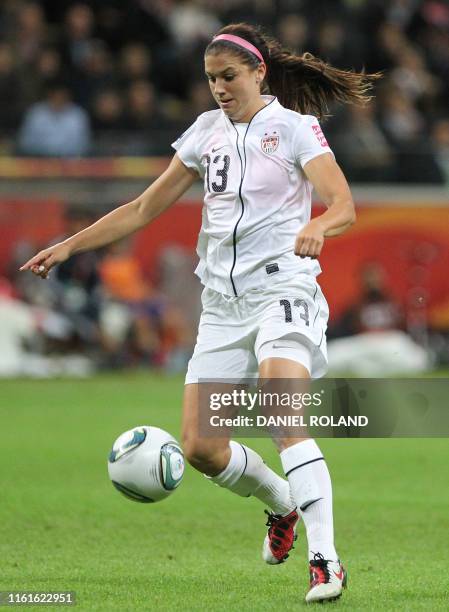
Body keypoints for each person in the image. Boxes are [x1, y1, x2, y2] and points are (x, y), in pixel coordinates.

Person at [20, 22, 379, 603]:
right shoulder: (204, 133)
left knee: (281, 416)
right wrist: (70, 245)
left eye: (229, 77)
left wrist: (318, 224)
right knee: (201, 448)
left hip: (283, 290)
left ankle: (326, 561)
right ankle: (282, 504)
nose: (219, 88)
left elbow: (343, 204)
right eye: (211, 79)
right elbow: (142, 207)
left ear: (259, 73)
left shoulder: (293, 129)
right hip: (222, 306)